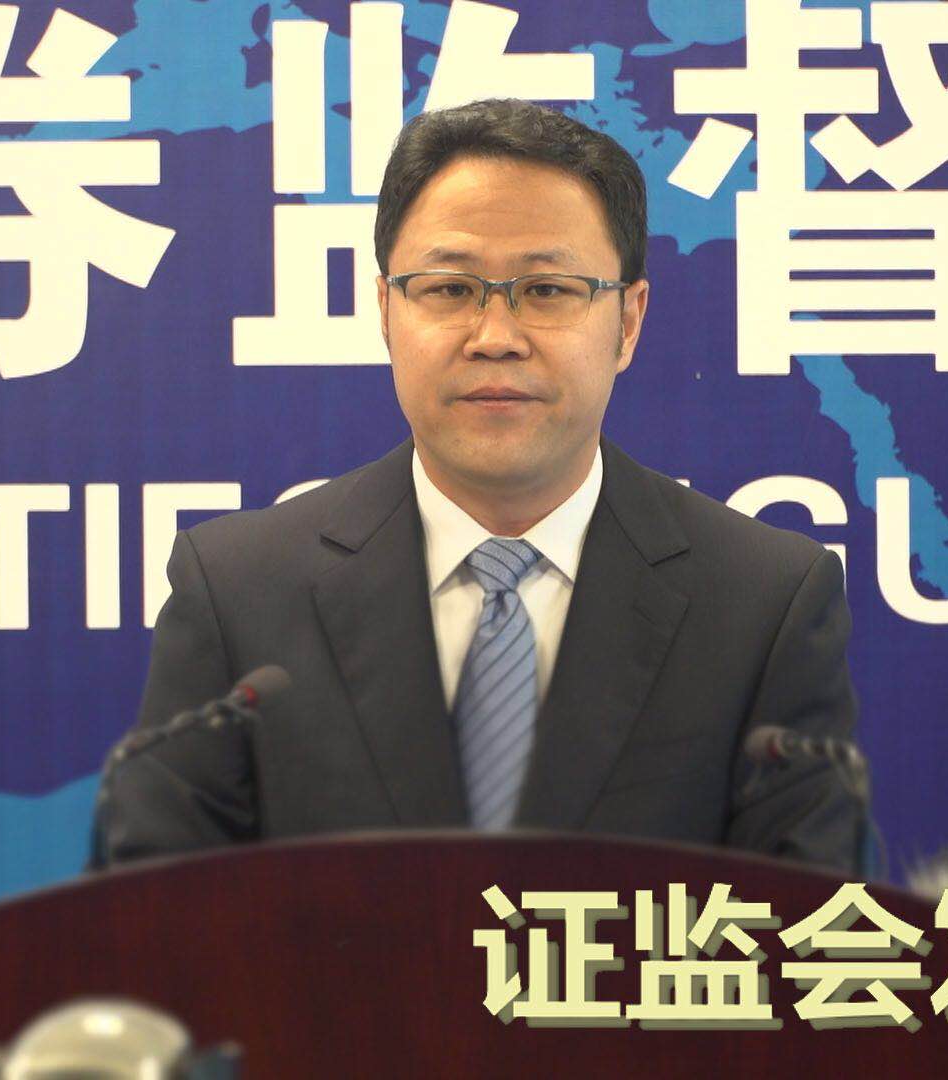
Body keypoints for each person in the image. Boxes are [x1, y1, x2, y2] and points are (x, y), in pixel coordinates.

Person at [91, 98, 866, 874]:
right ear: (386, 311)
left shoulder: (763, 601)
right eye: (450, 289)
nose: (496, 338)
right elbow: (147, 918)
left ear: (628, 322)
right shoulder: (240, 593)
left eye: (549, 290)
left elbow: (810, 926)